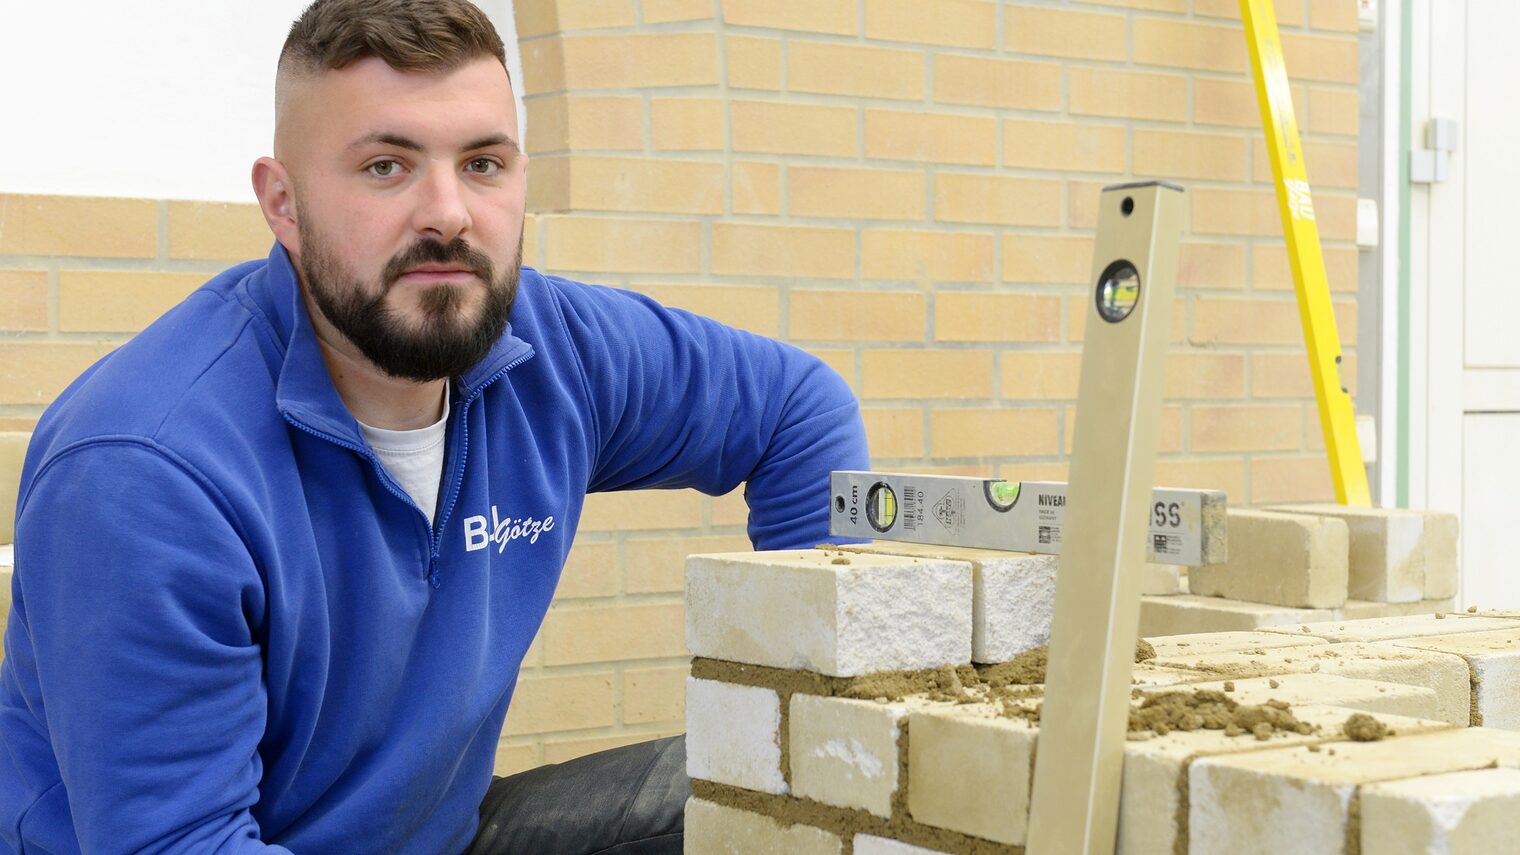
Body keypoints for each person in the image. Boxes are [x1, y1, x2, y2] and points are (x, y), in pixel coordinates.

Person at [0, 1, 868, 852]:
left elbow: (799, 411)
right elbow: (177, 842)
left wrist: (813, 698)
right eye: (387, 166)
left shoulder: (556, 348)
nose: (448, 213)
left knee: (797, 781)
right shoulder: (144, 468)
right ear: (283, 204)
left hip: (436, 835)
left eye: (484, 163)